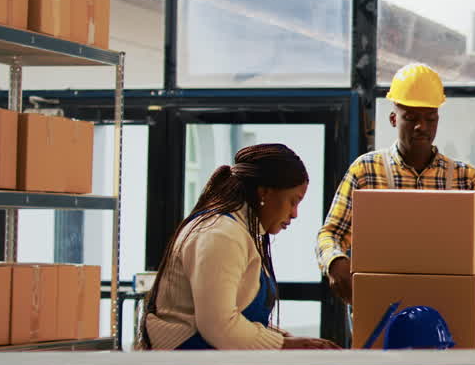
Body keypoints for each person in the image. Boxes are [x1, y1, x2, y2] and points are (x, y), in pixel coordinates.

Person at [317, 63, 475, 308]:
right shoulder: (365, 172)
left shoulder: (464, 178)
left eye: (430, 119)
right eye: (411, 118)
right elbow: (331, 233)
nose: (423, 127)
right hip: (380, 308)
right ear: (393, 118)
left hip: (448, 308)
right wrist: (334, 261)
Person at [139, 143, 338, 350]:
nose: (295, 213)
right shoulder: (221, 234)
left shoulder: (237, 231)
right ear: (265, 193)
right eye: (293, 201)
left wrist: (285, 338)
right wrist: (284, 345)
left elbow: (235, 313)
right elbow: (218, 325)